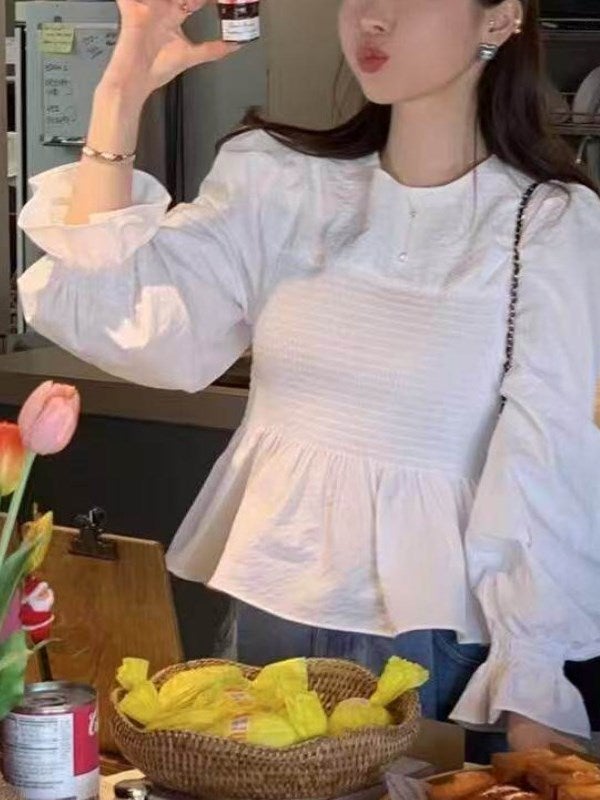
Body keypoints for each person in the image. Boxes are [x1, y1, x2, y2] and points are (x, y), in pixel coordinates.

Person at [17, 0, 600, 763]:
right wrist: (120, 90)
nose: (374, 18)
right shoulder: (280, 180)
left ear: (499, 20)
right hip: (270, 611)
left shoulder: (548, 223)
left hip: (438, 637)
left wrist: (535, 682)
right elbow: (107, 309)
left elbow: (549, 462)